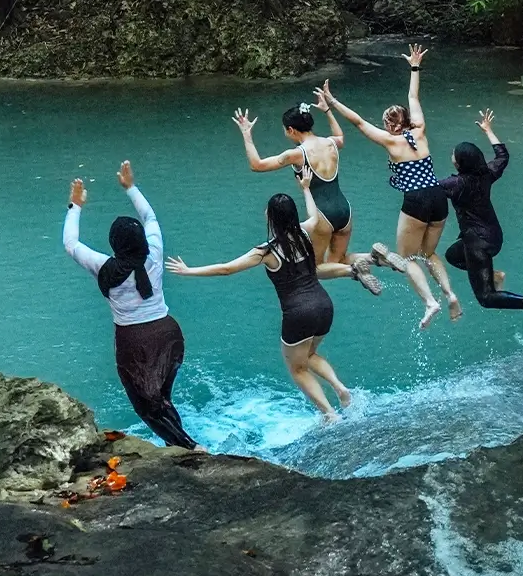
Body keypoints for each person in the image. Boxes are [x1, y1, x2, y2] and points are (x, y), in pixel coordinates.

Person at [166, 168, 371, 422]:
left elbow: (226, 269)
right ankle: (341, 389)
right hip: (324, 306)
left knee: (297, 368)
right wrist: (306, 187)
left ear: (271, 218)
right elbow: (315, 217)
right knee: (308, 356)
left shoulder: (266, 252)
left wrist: (188, 271)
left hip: (299, 313)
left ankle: (330, 415)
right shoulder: (306, 233)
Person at [320, 44, 462, 329]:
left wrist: (332, 103)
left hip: (416, 200)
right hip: (438, 197)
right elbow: (413, 95)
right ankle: (449, 294)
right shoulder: (419, 130)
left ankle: (430, 302)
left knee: (407, 257)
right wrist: (414, 67)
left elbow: (358, 122)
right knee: (429, 253)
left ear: (389, 125)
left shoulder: (391, 141)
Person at [63, 160, 198, 449]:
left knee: (147, 407)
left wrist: (75, 206)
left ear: (115, 244)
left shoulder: (104, 267)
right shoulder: (155, 254)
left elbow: (71, 244)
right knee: (160, 397)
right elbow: (150, 218)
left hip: (134, 343)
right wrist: (131, 187)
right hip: (168, 334)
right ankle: (177, 445)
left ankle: (190, 448)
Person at [232, 99, 405, 287]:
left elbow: (257, 165)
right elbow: (340, 137)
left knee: (314, 267)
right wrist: (328, 111)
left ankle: (354, 271)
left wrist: (246, 135)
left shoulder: (296, 154)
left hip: (322, 215)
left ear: (291, 130)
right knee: (338, 259)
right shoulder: (331, 143)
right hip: (344, 211)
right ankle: (377, 257)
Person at [438, 109, 523, 329]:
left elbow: (427, 188)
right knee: (452, 255)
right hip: (495, 237)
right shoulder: (486, 174)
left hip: (477, 244)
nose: (451, 156)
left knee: (486, 298)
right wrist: (488, 130)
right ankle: (494, 274)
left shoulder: (455, 184)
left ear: (458, 164)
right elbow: (502, 156)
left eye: (454, 154)